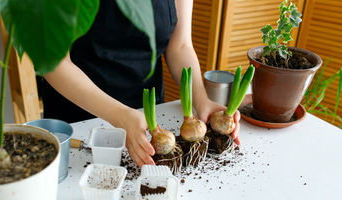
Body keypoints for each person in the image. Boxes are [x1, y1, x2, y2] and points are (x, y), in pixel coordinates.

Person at [38, 0, 240, 167]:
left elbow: (180, 45)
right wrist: (119, 115)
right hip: (83, 121)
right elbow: (54, 64)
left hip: (150, 118)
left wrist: (201, 100)